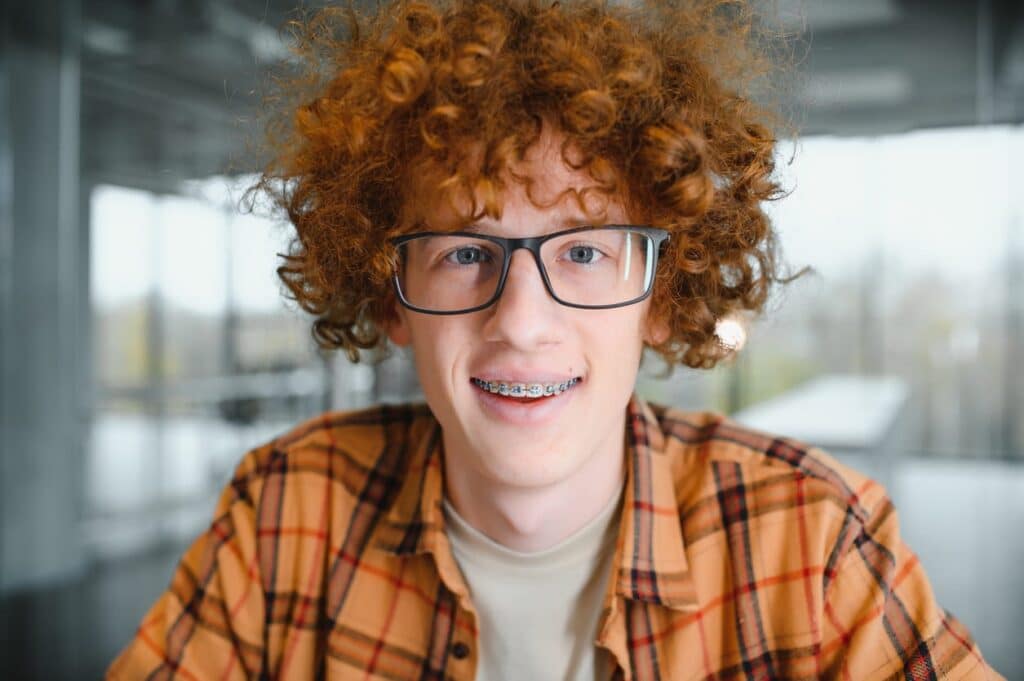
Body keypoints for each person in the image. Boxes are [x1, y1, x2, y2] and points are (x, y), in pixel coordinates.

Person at [108, 1, 1003, 679]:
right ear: (391, 297)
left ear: (662, 294)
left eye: (583, 250)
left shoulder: (810, 546)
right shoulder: (283, 515)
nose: (522, 322)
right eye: (464, 251)